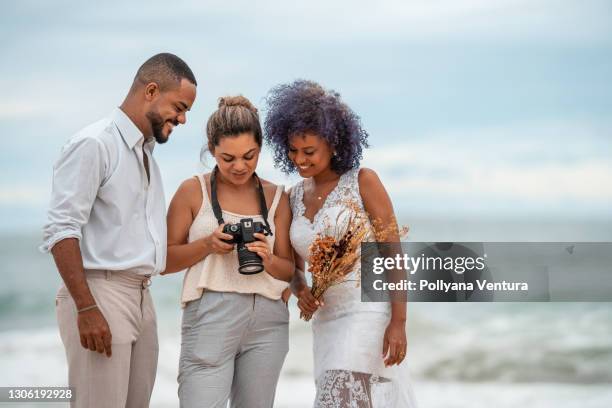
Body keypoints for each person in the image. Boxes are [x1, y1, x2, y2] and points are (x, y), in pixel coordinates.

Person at [40, 53, 197, 408]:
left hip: (142, 296)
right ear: (151, 90)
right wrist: (86, 308)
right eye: (180, 107)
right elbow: (61, 230)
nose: (183, 119)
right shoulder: (95, 144)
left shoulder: (147, 159)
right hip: (101, 293)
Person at [264, 80, 418, 407]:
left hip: (368, 314)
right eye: (292, 150)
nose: (299, 160)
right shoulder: (293, 197)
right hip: (326, 322)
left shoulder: (364, 182)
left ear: (333, 144)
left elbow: (393, 254)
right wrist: (301, 290)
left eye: (309, 152)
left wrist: (399, 322)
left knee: (341, 395)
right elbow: (294, 266)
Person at [163, 95, 294, 408]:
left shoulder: (278, 197)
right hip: (210, 313)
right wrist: (208, 245)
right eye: (227, 158)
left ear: (260, 147)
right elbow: (164, 261)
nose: (239, 166)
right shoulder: (192, 191)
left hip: (268, 319)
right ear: (212, 150)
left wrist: (268, 257)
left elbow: (290, 270)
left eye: (249, 156)